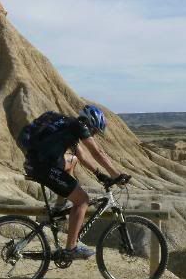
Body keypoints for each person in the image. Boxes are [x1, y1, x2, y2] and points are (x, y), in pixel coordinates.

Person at [23, 105, 130, 260]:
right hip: (43, 167)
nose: (92, 134)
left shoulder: (69, 126)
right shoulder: (78, 127)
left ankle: (59, 207)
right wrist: (116, 175)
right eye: (94, 131)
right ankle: (70, 249)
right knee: (82, 201)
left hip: (38, 163)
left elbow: (82, 156)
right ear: (89, 124)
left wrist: (99, 174)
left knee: (72, 160)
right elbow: (97, 152)